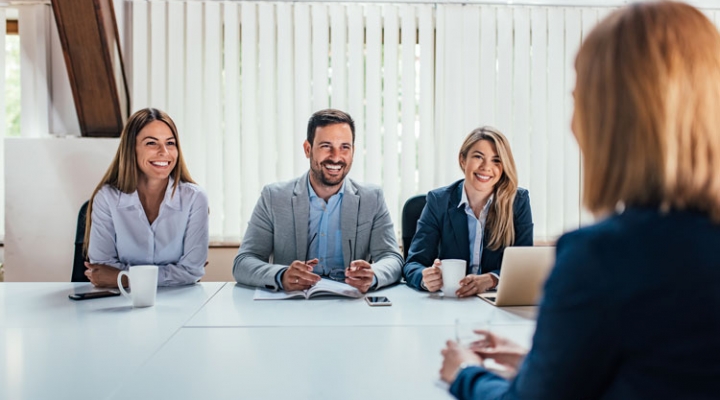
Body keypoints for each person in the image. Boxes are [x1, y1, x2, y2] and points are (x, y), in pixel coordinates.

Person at [440, 1, 720, 398]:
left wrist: (466, 372)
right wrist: (544, 362)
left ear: (610, 117)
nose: (573, 122)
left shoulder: (601, 258)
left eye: (578, 97)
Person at [233, 109, 403, 293]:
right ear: (308, 149)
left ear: (353, 150)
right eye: (326, 146)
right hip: (292, 305)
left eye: (345, 147)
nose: (336, 156)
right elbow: (244, 262)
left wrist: (373, 275)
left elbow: (392, 257)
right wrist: (281, 275)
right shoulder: (274, 197)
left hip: (350, 305)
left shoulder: (372, 198)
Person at [84, 108, 209, 287]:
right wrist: (172, 274)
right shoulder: (107, 198)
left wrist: (123, 278)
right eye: (151, 143)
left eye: (170, 143)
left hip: (178, 302)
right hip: (119, 301)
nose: (164, 152)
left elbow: (191, 271)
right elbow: (103, 268)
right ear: (131, 149)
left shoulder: (195, 198)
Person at [403, 127, 533, 297]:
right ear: (463, 160)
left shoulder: (518, 201)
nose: (486, 167)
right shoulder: (438, 201)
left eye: (496, 160)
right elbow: (413, 264)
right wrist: (425, 278)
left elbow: (525, 267)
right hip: (450, 302)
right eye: (478, 157)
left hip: (495, 303)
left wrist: (492, 279)